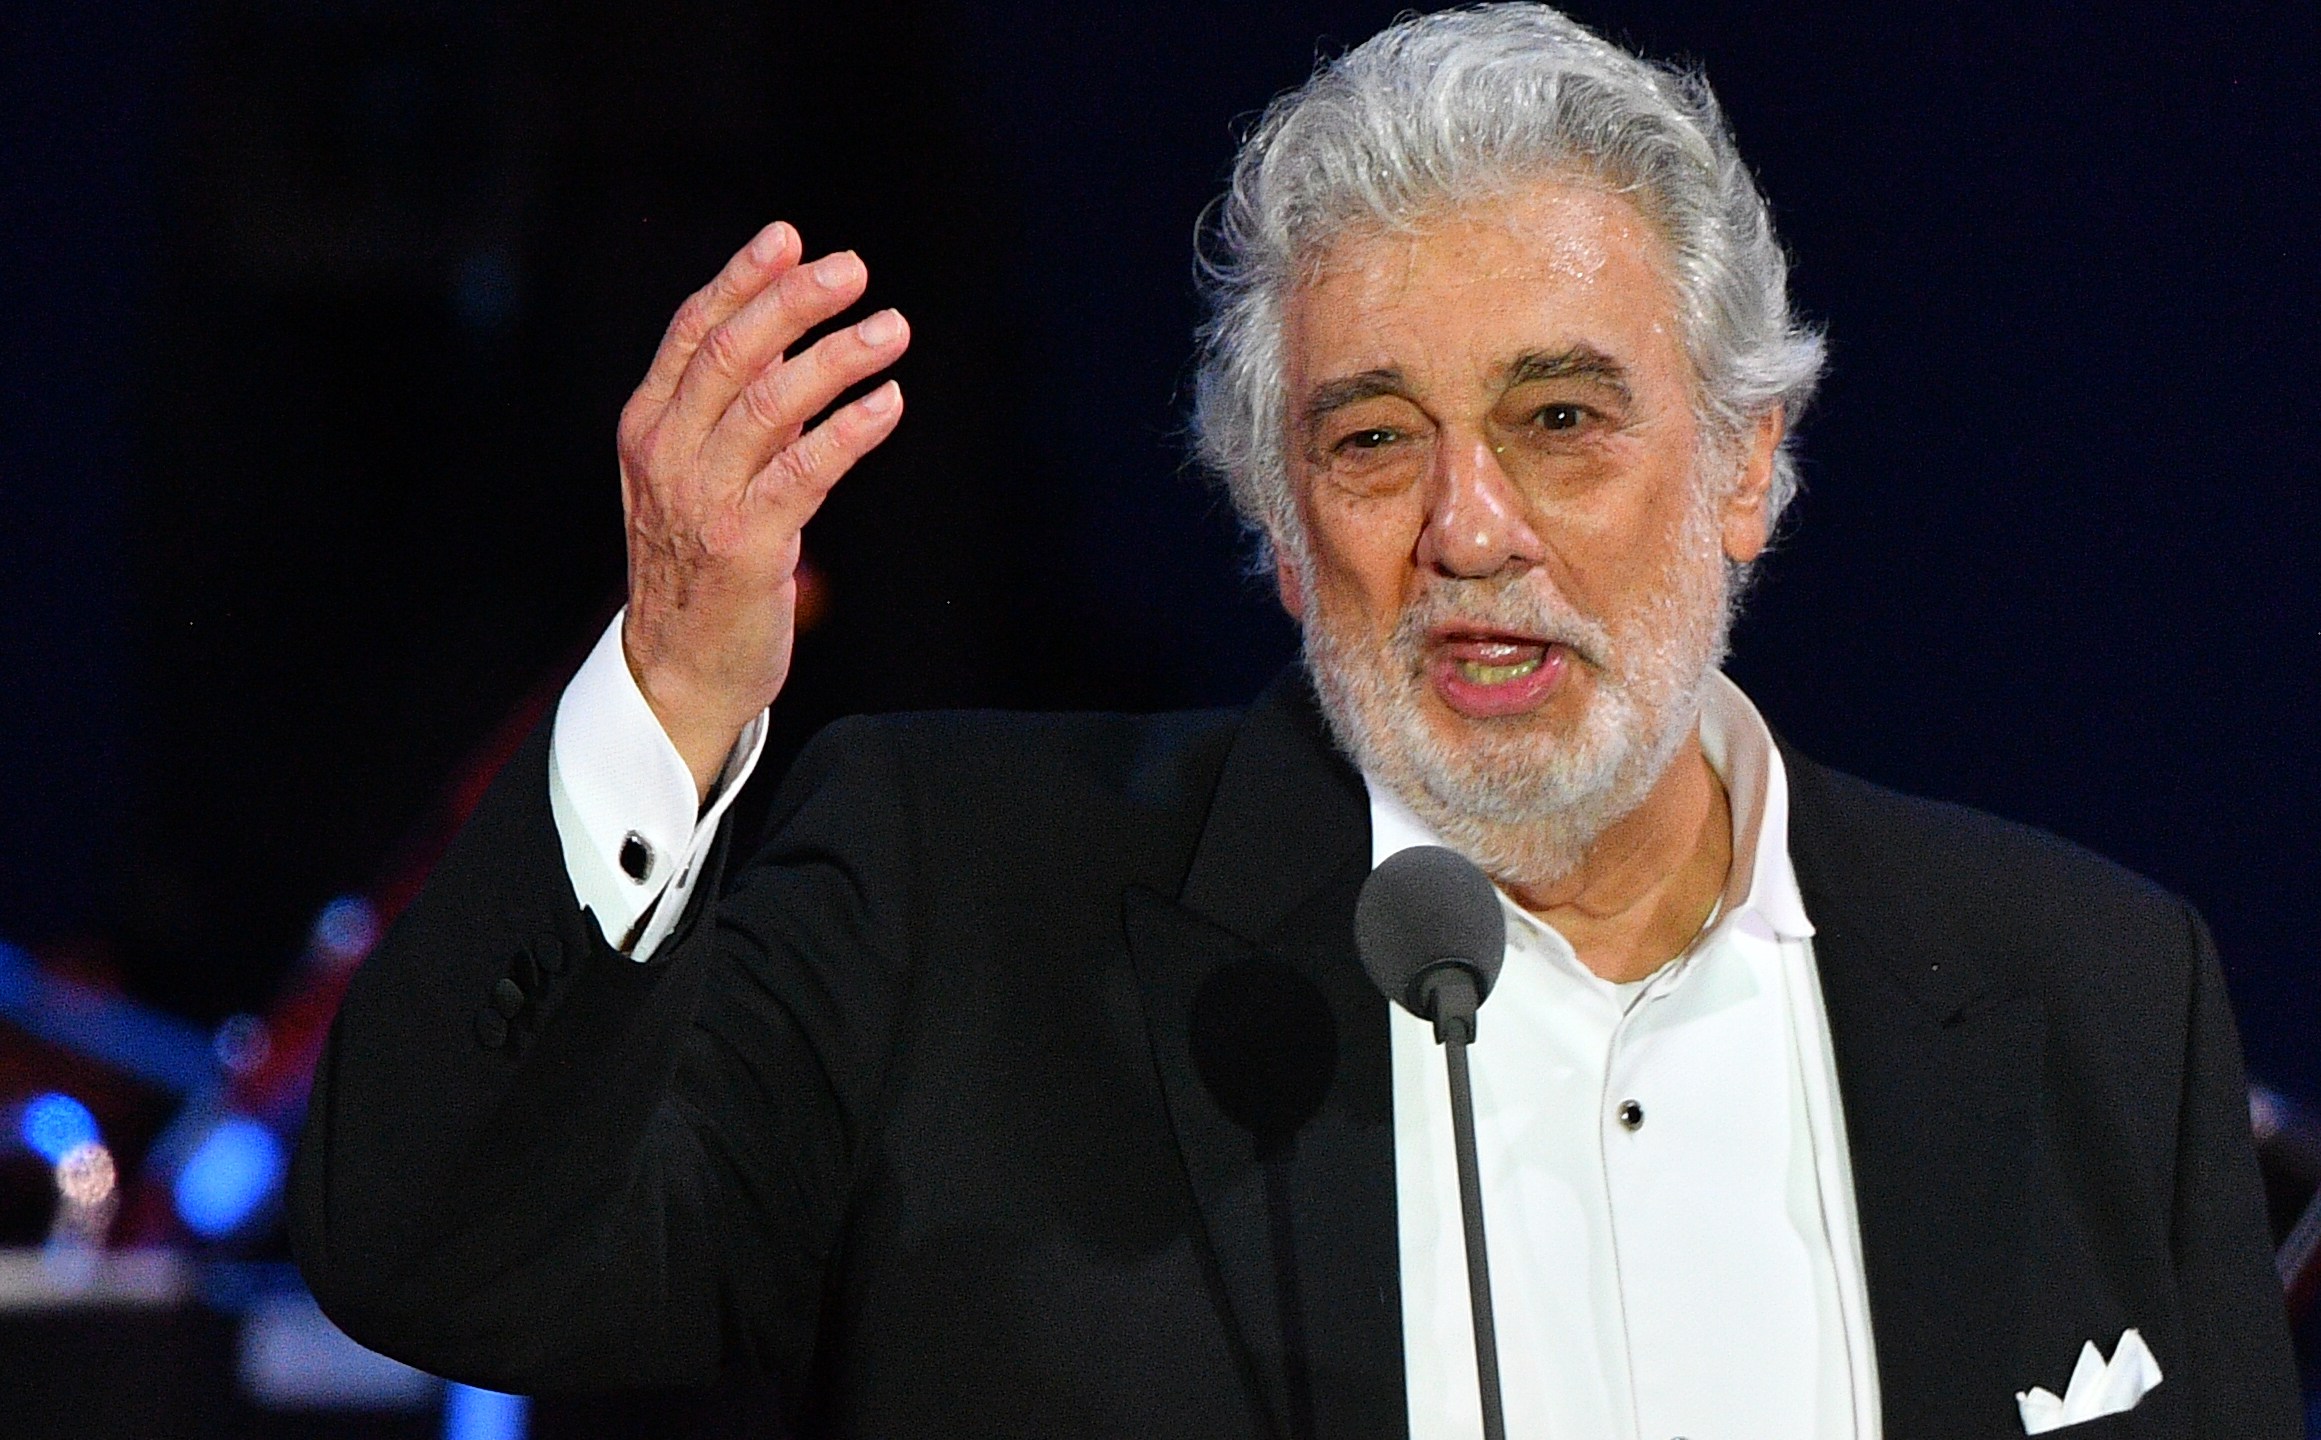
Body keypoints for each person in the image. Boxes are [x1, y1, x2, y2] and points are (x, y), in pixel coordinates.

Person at [289, 7, 2301, 1438]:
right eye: (1370, 442)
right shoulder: (958, 922)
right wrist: (666, 698)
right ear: (1274, 527)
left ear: (1750, 464)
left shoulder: (2096, 1001)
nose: (1469, 528)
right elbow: (442, 1256)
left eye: (1562, 419)